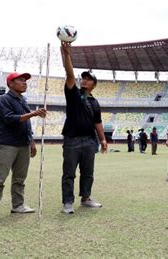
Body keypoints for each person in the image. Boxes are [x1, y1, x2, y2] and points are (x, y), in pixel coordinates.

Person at [0, 72, 47, 223]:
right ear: (10, 83)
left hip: (23, 145)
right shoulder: (3, 100)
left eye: (25, 81)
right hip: (7, 145)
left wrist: (31, 142)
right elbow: (9, 119)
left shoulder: (23, 100)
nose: (24, 83)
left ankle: (18, 205)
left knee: (19, 179)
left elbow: (26, 124)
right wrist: (33, 113)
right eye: (20, 80)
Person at [61, 42, 107, 214]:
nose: (84, 80)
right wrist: (67, 56)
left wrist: (102, 139)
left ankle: (86, 198)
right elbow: (70, 75)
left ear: (94, 84)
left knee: (88, 172)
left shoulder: (95, 102)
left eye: (88, 78)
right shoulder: (73, 93)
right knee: (69, 173)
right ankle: (68, 202)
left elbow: (98, 122)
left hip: (89, 141)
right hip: (72, 139)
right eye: (83, 77)